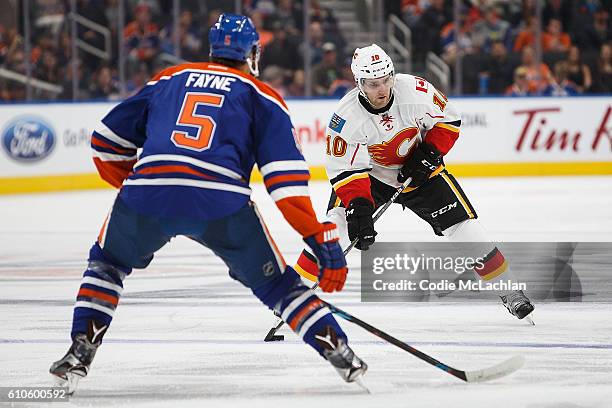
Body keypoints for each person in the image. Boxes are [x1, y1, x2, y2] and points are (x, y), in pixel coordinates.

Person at [49, 13, 367, 395]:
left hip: (148, 194)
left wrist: (144, 186)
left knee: (107, 265)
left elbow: (103, 142)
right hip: (221, 201)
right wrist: (320, 238)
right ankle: (341, 353)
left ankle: (80, 350)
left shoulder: (168, 79)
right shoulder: (262, 96)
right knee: (281, 288)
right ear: (252, 52)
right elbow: (285, 184)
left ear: (213, 49)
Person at [293, 44, 535, 321]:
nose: (382, 89)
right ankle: (292, 294)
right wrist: (358, 207)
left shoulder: (416, 91)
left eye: (386, 80)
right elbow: (345, 171)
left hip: (422, 175)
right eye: (372, 84)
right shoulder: (345, 118)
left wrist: (429, 152)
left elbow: (450, 120)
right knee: (334, 228)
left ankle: (510, 291)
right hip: (371, 177)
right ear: (359, 83)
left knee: (465, 228)